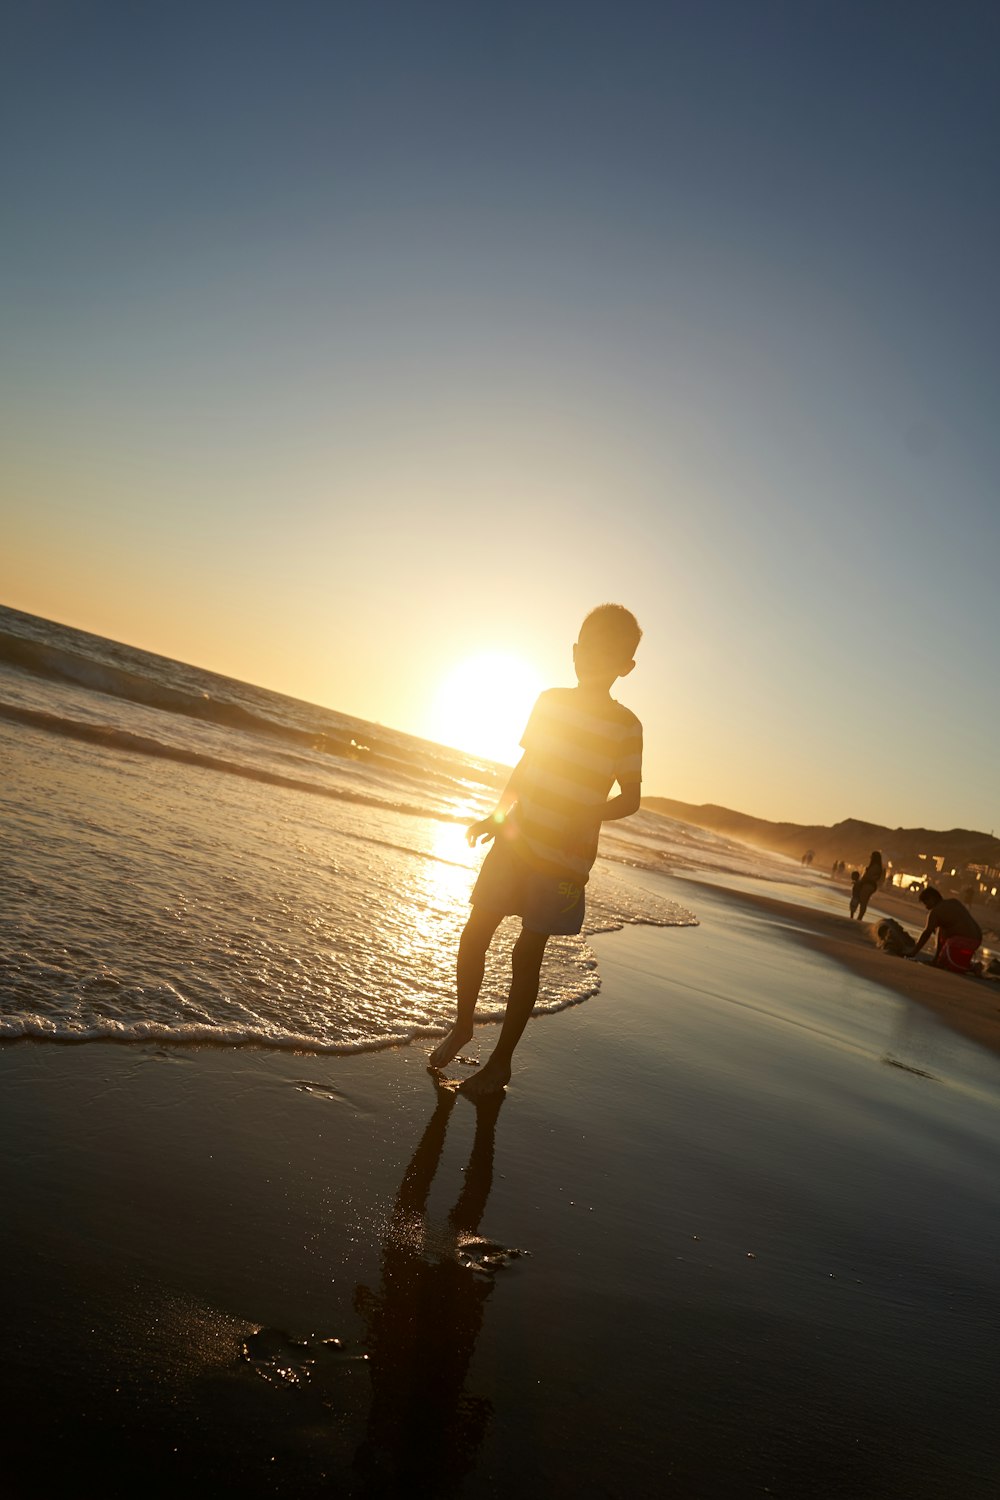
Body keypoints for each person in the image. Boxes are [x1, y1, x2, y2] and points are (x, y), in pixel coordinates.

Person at [429, 604, 643, 1096]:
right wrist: (496, 816)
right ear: (574, 651)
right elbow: (526, 768)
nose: (593, 659)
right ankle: (463, 1025)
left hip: (563, 858)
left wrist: (587, 817)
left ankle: (500, 1063)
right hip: (516, 839)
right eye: (587, 647)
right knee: (476, 927)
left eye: (608, 654)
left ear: (626, 667)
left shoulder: (626, 727)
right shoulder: (549, 701)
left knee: (528, 956)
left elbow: (630, 798)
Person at [909, 886, 982, 973]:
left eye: (926, 903)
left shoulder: (935, 912)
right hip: (977, 941)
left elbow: (927, 933)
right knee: (943, 929)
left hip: (961, 942)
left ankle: (939, 960)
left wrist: (913, 952)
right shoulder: (954, 902)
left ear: (932, 899)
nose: (926, 907)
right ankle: (969, 966)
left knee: (944, 963)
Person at [853, 850, 884, 920]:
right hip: (870, 885)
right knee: (863, 901)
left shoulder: (875, 866)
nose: (870, 857)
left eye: (871, 856)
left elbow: (869, 876)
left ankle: (859, 917)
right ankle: (859, 917)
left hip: (868, 885)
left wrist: (861, 882)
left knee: (863, 901)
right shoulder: (877, 866)